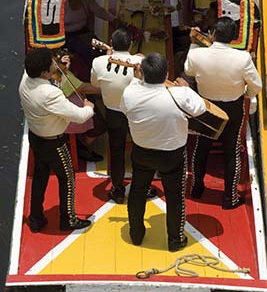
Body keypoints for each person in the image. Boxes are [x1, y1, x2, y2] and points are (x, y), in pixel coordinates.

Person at [120, 52, 206, 251]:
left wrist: (137, 77)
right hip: (171, 155)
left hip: (142, 152)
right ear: (166, 73)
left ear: (142, 73)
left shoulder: (130, 92)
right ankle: (175, 240)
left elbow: (126, 107)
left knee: (137, 191)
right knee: (175, 197)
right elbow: (200, 108)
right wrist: (186, 89)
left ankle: (136, 234)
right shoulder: (180, 94)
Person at [184, 17, 262, 209]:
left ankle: (197, 188)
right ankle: (229, 198)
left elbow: (188, 71)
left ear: (213, 34)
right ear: (233, 37)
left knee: (201, 148)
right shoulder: (242, 58)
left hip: (206, 107)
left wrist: (194, 44)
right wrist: (244, 93)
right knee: (231, 152)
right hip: (232, 108)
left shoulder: (197, 55)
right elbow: (257, 86)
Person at [19, 48, 95, 232]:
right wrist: (88, 108)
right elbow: (78, 116)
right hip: (55, 143)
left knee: (40, 177)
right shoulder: (50, 94)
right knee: (67, 178)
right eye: (52, 63)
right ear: (45, 72)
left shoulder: (25, 79)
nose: (56, 64)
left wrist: (61, 70)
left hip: (37, 138)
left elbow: (51, 83)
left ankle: (36, 217)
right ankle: (68, 218)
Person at [91, 26, 156, 204]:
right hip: (136, 113)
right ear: (131, 44)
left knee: (116, 151)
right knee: (140, 150)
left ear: (111, 43)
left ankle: (118, 189)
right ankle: (141, 188)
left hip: (113, 113)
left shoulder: (98, 62)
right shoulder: (139, 61)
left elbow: (95, 84)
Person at [64, 0, 119, 73]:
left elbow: (99, 11)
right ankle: (92, 75)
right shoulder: (60, 2)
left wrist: (114, 19)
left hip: (83, 32)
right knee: (86, 53)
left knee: (103, 50)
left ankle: (107, 73)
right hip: (66, 36)